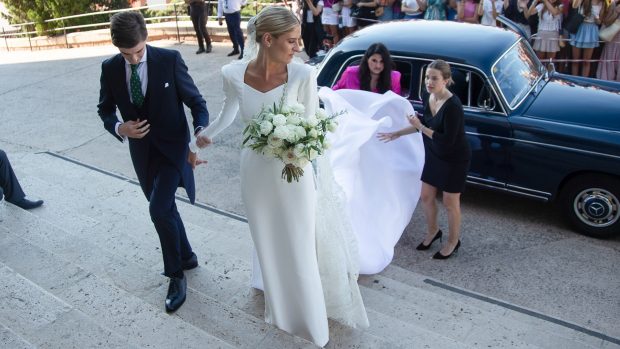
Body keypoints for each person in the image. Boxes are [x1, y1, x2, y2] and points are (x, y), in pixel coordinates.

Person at [193, 6, 368, 346]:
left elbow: (312, 124)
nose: (297, 48)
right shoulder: (231, 73)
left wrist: (301, 148)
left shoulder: (303, 75)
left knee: (299, 244)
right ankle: (279, 309)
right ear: (268, 39)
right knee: (267, 241)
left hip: (294, 171)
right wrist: (200, 138)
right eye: (291, 41)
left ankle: (312, 325)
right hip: (255, 172)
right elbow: (228, 112)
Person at [97, 11, 209, 313]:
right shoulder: (109, 68)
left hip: (175, 151)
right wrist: (121, 128)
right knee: (165, 209)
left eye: (137, 52)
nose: (133, 59)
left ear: (146, 39)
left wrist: (200, 132)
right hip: (143, 154)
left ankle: (175, 276)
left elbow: (197, 103)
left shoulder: (169, 60)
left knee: (158, 209)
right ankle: (187, 255)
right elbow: (104, 110)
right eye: (126, 54)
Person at [378, 60, 471, 260]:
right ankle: (433, 231)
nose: (429, 81)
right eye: (427, 77)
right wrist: (398, 133)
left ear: (446, 80)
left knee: (450, 202)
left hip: (454, 157)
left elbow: (446, 140)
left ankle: (453, 241)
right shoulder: (429, 96)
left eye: (434, 78)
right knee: (426, 196)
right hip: (435, 154)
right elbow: (425, 124)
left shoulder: (453, 106)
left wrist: (419, 126)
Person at [332, 42, 402, 94]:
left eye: (382, 61)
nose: (378, 66)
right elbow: (335, 93)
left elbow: (395, 102)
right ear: (367, 59)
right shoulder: (350, 73)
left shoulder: (394, 77)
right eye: (374, 61)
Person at [570, 0, 608, 77]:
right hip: (579, 27)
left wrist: (596, 18)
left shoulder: (603, 3)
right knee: (575, 60)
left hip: (592, 29)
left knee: (586, 61)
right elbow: (574, 6)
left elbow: (600, 22)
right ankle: (574, 80)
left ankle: (584, 83)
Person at [596, 0, 620, 80]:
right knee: (607, 73)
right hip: (612, 42)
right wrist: (616, 13)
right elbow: (606, 22)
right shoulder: (614, 4)